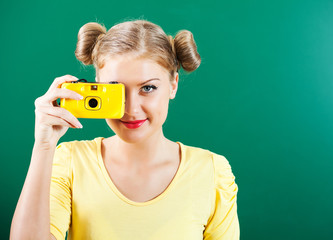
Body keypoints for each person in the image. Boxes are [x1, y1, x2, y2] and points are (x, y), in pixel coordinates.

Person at [10, 19, 239, 240]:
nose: (130, 109)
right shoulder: (70, 161)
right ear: (97, 86)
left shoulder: (212, 172)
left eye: (148, 88)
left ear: (173, 85)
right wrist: (44, 146)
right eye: (115, 89)